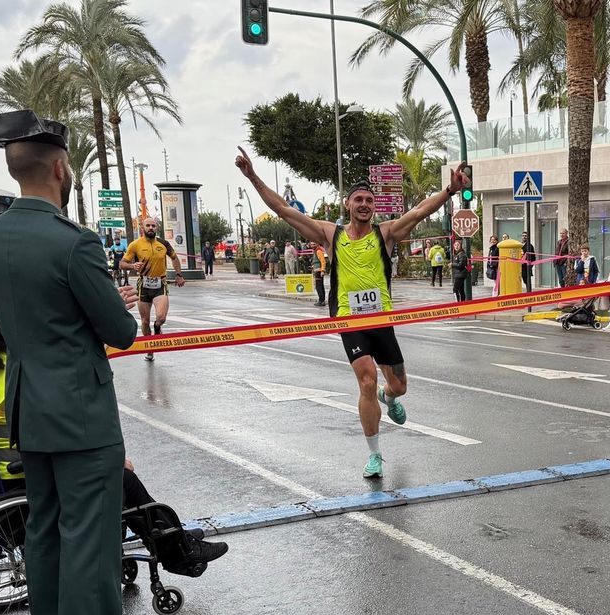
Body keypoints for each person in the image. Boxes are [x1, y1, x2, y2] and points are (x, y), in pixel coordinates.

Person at [0, 109, 154, 615]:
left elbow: (0, 320)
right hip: (80, 411)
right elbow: (121, 331)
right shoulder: (73, 242)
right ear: (59, 167)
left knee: (43, 530)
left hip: (27, 406)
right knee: (90, 538)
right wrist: (115, 303)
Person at [238, 147, 467, 479]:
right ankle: (375, 455)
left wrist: (449, 191)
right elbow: (284, 210)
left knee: (398, 386)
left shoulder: (384, 234)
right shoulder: (331, 235)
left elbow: (418, 212)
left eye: (369, 201)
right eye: (358, 199)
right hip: (350, 320)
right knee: (366, 381)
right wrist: (253, 177)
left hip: (381, 320)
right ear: (348, 204)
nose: (364, 205)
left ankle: (389, 399)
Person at [0, 330, 229, 572]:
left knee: (119, 476)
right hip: (26, 485)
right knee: (122, 479)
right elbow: (58, 436)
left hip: (2, 483)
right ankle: (177, 550)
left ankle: (174, 538)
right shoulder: (21, 378)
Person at [122, 218, 184, 363]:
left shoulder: (163, 244)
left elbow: (174, 258)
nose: (151, 228)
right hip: (143, 285)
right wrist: (132, 266)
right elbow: (122, 263)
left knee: (161, 317)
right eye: (148, 225)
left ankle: (157, 327)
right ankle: (149, 350)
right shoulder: (135, 245)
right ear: (142, 228)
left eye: (153, 226)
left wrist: (179, 275)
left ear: (156, 228)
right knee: (144, 321)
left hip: (160, 284)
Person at [313, 243, 328, 307]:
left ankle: (321, 300)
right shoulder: (316, 251)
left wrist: (322, 270)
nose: (312, 245)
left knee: (319, 287)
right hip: (317, 270)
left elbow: (323, 261)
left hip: (319, 271)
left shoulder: (318, 251)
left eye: (313, 244)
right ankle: (321, 300)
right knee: (319, 286)